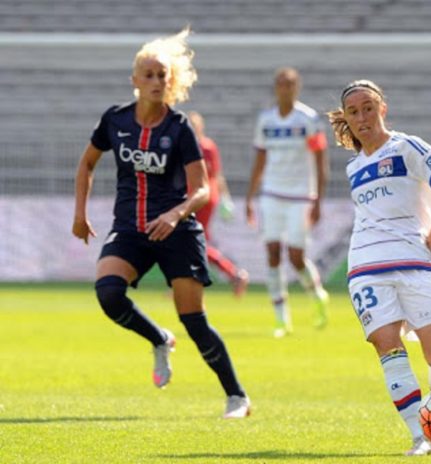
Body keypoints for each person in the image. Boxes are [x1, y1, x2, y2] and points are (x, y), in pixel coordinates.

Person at [72, 29, 250, 419]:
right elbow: (87, 163)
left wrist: (174, 214)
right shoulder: (115, 120)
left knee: (194, 320)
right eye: (148, 75)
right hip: (130, 229)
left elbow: (202, 189)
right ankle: (158, 339)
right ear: (135, 80)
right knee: (109, 294)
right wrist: (80, 214)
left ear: (173, 82)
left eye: (162, 75)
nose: (156, 81)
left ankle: (237, 397)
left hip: (177, 231)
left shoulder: (180, 128)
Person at [328, 80, 431, 456]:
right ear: (346, 118)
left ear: (382, 109)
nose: (362, 117)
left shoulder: (408, 147)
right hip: (364, 266)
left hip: (413, 262)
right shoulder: (354, 166)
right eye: (353, 112)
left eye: (368, 108)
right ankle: (423, 436)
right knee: (388, 349)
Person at [245, 67, 330, 338]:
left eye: (290, 84)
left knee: (295, 256)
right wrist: (250, 196)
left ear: (297, 87)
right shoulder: (266, 121)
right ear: (275, 88)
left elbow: (320, 160)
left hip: (301, 196)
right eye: (281, 84)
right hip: (271, 193)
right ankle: (282, 318)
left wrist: (318, 199)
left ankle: (317, 294)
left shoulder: (309, 119)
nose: (285, 88)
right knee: (272, 252)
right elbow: (260, 159)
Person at [188, 110, 249, 297]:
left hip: (203, 198)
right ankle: (189, 283)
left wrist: (225, 198)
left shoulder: (206, 147)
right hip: (191, 199)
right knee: (192, 241)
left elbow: (216, 175)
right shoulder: (187, 147)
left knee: (197, 241)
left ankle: (233, 274)